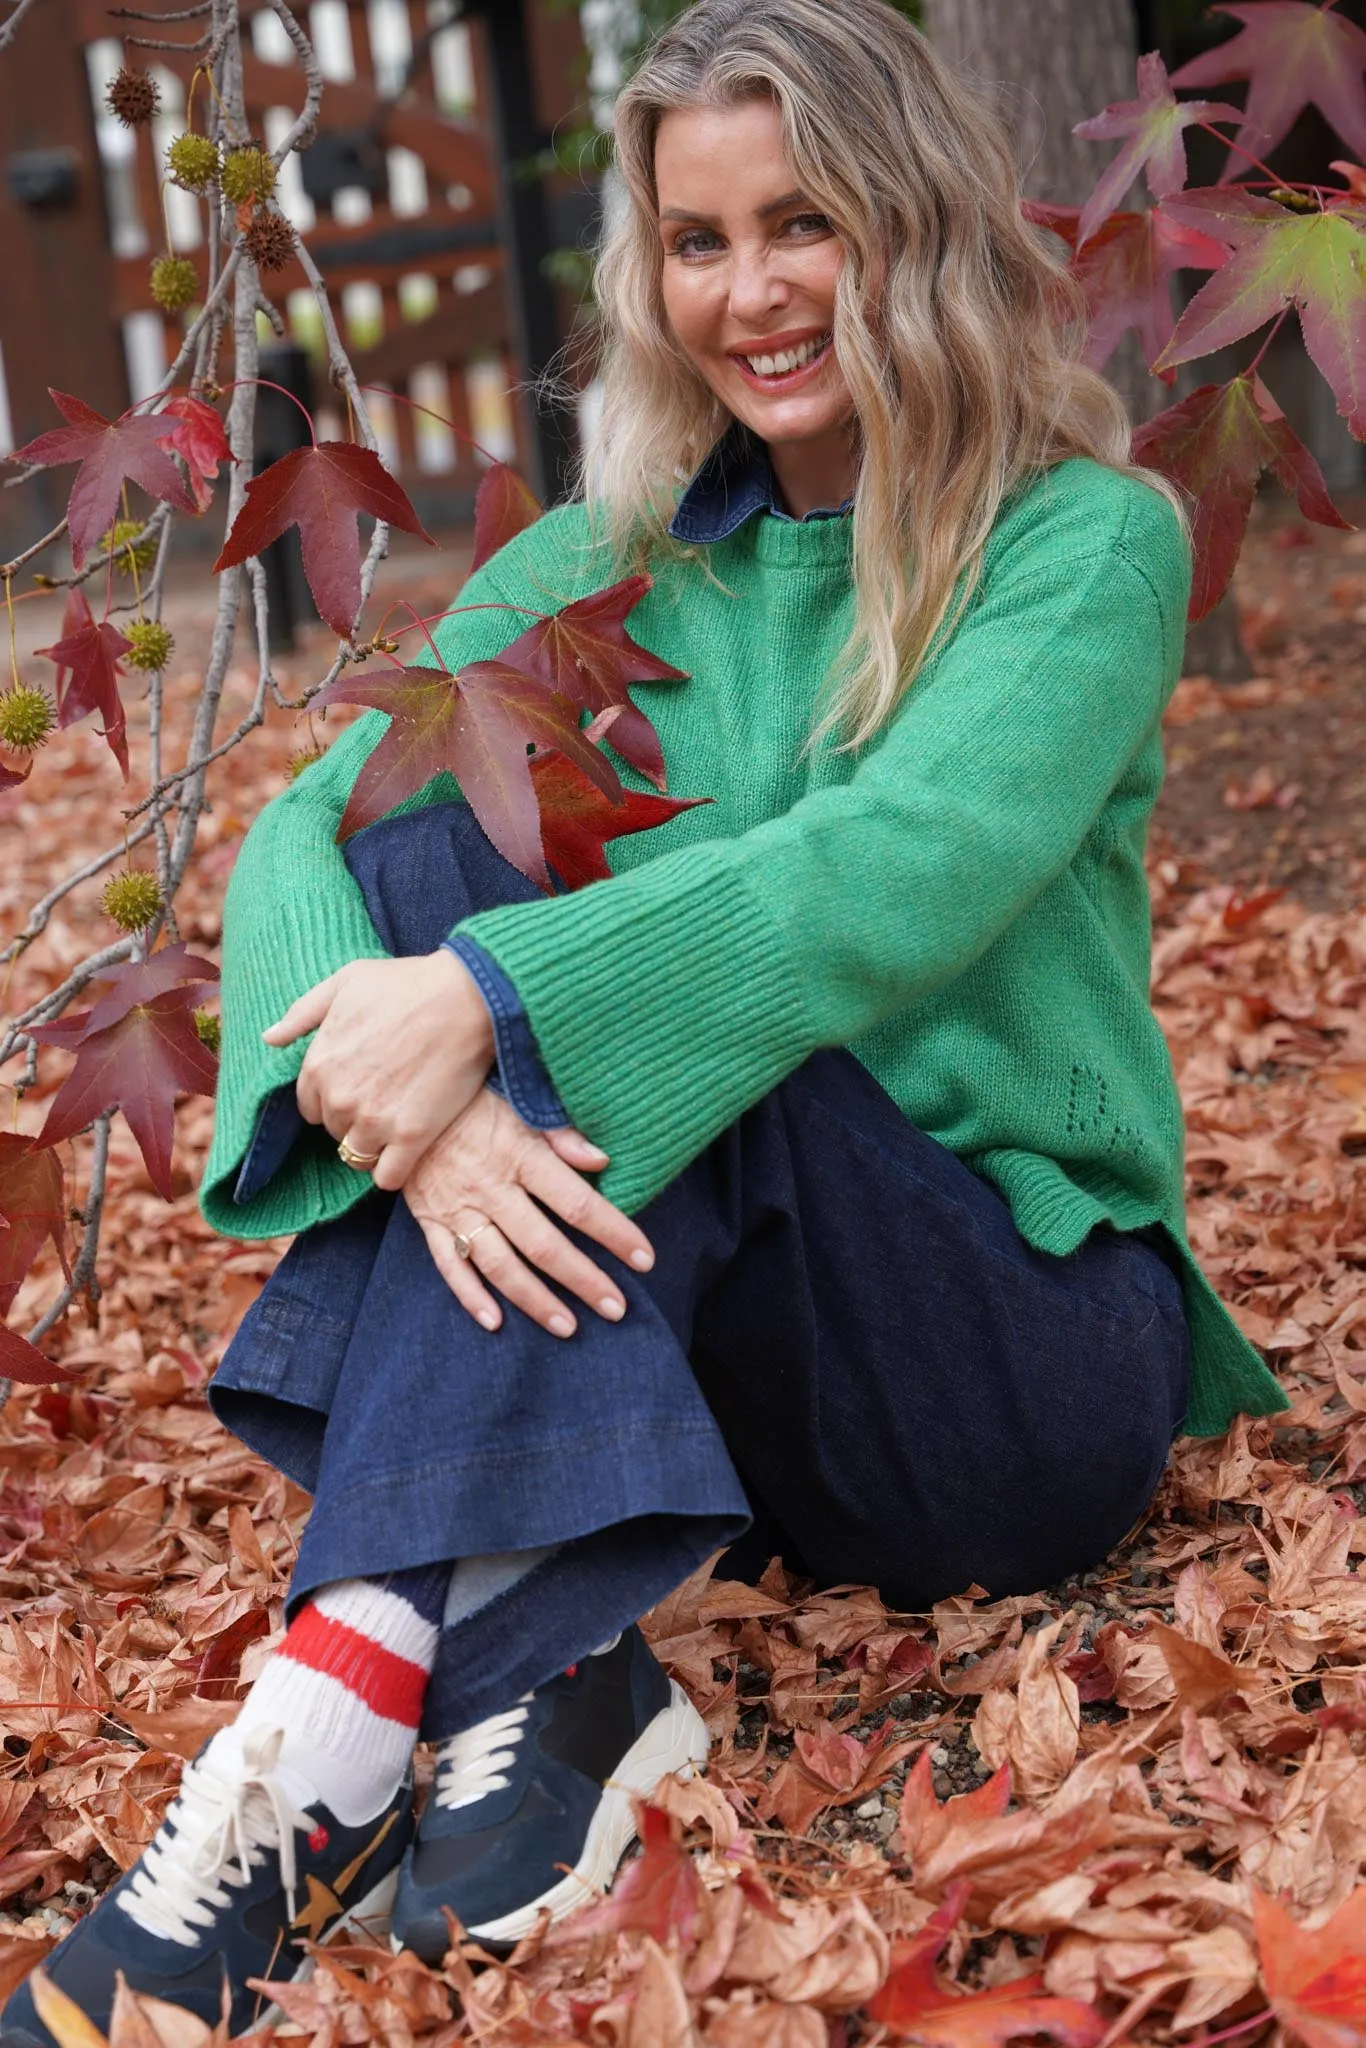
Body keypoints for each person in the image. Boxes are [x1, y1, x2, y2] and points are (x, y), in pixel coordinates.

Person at [1, 0, 1289, 2039]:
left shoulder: (1079, 541)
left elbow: (884, 872)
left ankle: (328, 1725)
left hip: (1000, 1369)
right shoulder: (595, 562)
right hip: (716, 1379)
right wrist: (440, 1105)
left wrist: (493, 1012)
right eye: (696, 241)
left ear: (919, 227)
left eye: (808, 224)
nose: (750, 292)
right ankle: (535, 1661)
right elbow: (293, 840)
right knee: (429, 837)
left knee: (670, 1005)